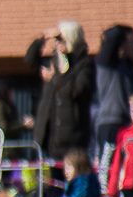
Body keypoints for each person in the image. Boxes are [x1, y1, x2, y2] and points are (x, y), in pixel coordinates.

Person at [25, 21, 95, 161]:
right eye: (56, 40)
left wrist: (57, 78)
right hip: (48, 135)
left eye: (61, 39)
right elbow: (30, 60)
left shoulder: (84, 64)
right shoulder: (55, 61)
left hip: (72, 136)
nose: (57, 43)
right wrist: (43, 37)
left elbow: (77, 90)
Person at [93, 25, 133, 193]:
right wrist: (121, 32)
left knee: (124, 167)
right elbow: (112, 37)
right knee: (108, 166)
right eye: (131, 42)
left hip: (128, 125)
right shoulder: (106, 63)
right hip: (110, 123)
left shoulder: (129, 69)